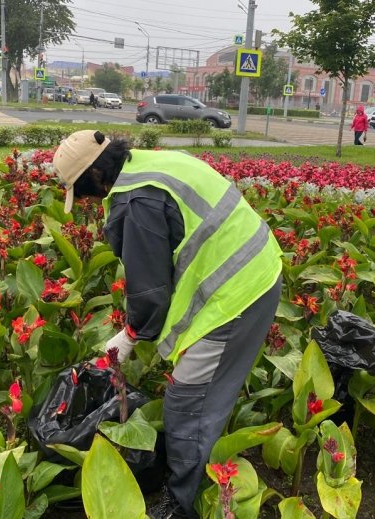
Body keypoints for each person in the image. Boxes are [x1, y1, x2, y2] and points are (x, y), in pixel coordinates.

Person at [52, 130, 283, 519]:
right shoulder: (150, 165)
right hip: (254, 272)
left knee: (188, 403)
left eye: (82, 191)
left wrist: (129, 335)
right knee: (201, 390)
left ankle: (183, 503)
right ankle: (195, 476)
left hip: (237, 294)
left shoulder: (137, 199)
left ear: (94, 175)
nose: (90, 202)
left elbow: (150, 290)